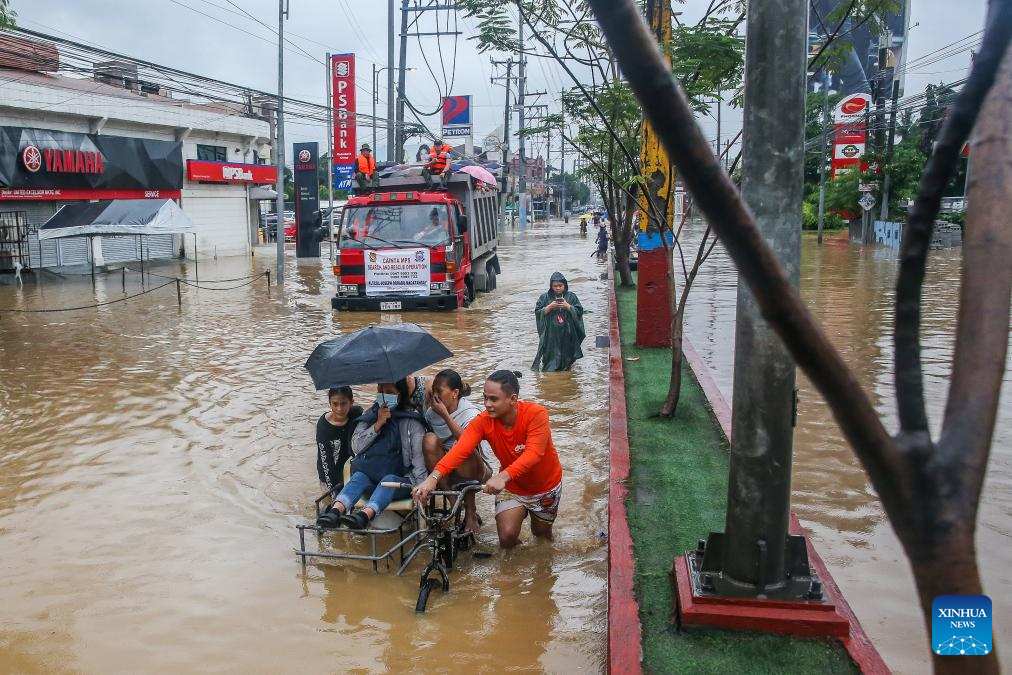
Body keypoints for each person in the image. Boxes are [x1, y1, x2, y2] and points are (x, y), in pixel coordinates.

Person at [413, 370, 564, 548]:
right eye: (485, 398)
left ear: (513, 399)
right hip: (513, 487)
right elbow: (461, 449)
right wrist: (432, 479)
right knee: (506, 538)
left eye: (494, 399)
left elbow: (534, 454)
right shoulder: (483, 421)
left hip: (544, 487)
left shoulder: (536, 414)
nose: (487, 404)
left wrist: (502, 476)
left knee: (542, 538)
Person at [324, 380, 428, 530]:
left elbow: (419, 460)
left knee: (388, 480)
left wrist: (421, 488)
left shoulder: (411, 421)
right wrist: (377, 424)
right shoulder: (370, 415)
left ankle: (365, 515)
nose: (385, 397)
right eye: (381, 391)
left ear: (401, 394)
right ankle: (335, 511)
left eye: (390, 393)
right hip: (370, 477)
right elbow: (356, 447)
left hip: (400, 480)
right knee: (359, 476)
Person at [423, 369, 494, 535]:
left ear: (455, 393)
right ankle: (455, 505)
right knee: (429, 439)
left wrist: (446, 416)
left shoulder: (471, 413)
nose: (435, 396)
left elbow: (467, 443)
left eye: (439, 391)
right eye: (433, 392)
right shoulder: (431, 414)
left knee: (461, 448)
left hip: (474, 467)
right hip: (445, 469)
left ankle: (470, 511)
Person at [315, 388, 364, 526]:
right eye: (335, 404)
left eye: (344, 404)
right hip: (329, 476)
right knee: (333, 515)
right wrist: (334, 494)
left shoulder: (356, 414)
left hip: (351, 471)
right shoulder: (324, 426)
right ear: (330, 404)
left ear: (351, 403)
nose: (339, 408)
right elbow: (326, 462)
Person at [532, 272, 586, 372]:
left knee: (567, 359)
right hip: (550, 335)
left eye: (560, 286)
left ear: (565, 285)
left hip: (567, 333)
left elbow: (579, 311)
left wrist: (568, 307)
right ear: (551, 286)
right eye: (555, 286)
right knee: (550, 360)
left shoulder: (571, 297)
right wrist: (549, 307)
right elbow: (538, 312)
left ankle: (566, 370)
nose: (557, 288)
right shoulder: (544, 297)